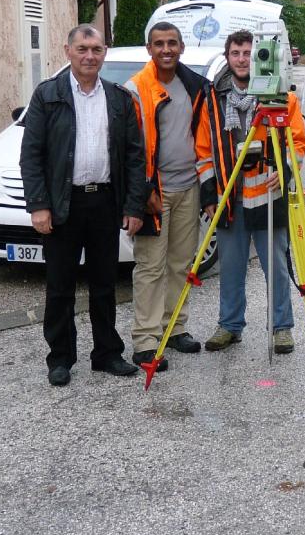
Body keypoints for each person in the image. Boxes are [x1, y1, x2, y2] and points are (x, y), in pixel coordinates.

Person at [20, 24, 146, 387]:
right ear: (68, 51)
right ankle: (60, 358)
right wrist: (39, 204)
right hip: (63, 205)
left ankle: (106, 353)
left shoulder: (119, 99)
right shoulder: (48, 95)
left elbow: (135, 157)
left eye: (96, 49)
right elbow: (31, 155)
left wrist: (133, 205)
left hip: (105, 202)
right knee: (60, 286)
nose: (90, 56)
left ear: (104, 52)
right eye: (82, 49)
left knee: (104, 285)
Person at [195, 29, 305, 354]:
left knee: (276, 266)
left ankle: (282, 328)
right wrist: (208, 194)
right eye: (236, 53)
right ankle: (229, 326)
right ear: (227, 57)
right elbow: (203, 150)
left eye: (248, 53)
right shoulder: (213, 99)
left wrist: (285, 169)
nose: (242, 59)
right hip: (228, 198)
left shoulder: (280, 96)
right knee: (230, 268)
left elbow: (298, 142)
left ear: (258, 56)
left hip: (268, 197)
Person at [125, 22, 208, 371]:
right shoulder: (135, 89)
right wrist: (143, 194)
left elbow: (207, 139)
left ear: (182, 47)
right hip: (154, 194)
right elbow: (130, 151)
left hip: (188, 187)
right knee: (150, 267)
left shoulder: (195, 86)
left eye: (172, 43)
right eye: (159, 44)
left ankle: (174, 328)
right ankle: (145, 341)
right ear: (149, 49)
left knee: (181, 264)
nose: (166, 50)